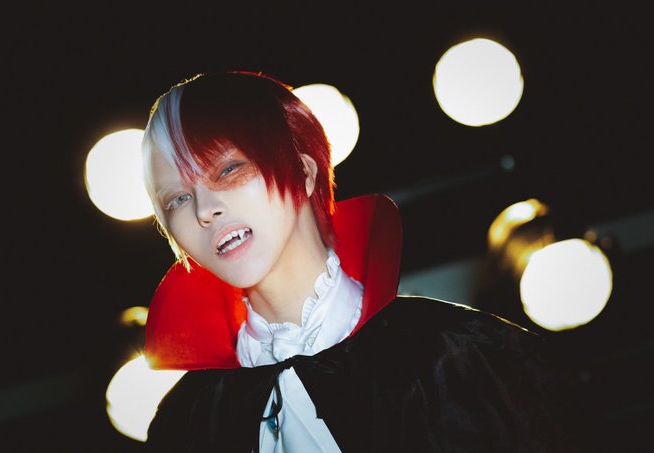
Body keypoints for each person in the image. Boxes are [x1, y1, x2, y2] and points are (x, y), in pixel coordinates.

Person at [140, 71, 573, 452]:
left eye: (228, 170)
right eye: (177, 198)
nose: (204, 210)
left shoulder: (464, 359)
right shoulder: (184, 426)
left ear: (303, 172)